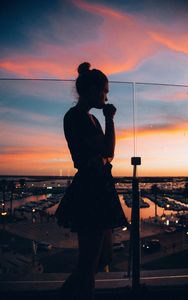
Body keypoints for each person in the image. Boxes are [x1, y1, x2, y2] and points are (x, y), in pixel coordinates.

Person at [59, 62, 128, 300]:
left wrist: (103, 154)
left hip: (95, 186)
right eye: (104, 91)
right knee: (90, 260)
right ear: (91, 90)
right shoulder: (77, 117)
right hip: (91, 189)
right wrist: (110, 119)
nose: (106, 96)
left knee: (95, 259)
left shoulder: (88, 118)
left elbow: (106, 153)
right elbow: (108, 149)